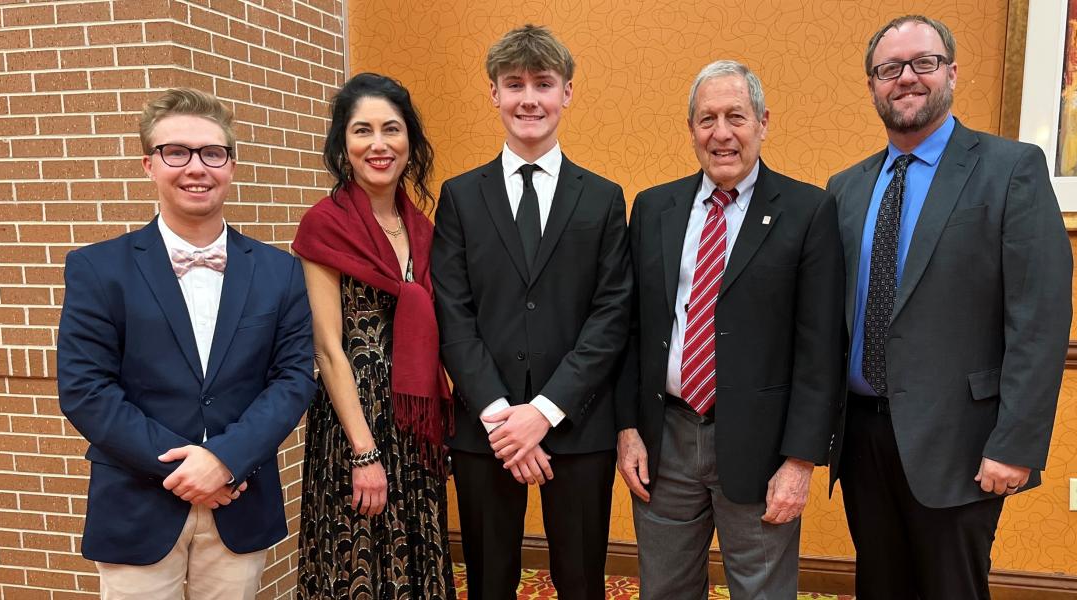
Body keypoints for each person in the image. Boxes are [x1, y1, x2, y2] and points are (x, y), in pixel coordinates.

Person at [825, 15, 1073, 600]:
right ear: (872, 85)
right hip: (861, 437)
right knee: (879, 587)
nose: (906, 78)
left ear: (951, 73)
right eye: (889, 69)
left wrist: (1015, 443)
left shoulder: (1010, 169)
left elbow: (1039, 319)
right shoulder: (845, 187)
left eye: (923, 63)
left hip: (962, 441)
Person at [56, 88, 315, 599]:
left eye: (212, 153)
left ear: (231, 166)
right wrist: (184, 469)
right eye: (177, 152)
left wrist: (224, 461)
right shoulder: (96, 268)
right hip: (136, 504)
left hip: (239, 501)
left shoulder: (279, 270)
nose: (196, 167)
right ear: (149, 164)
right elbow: (86, 389)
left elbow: (290, 381)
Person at [615, 59, 845, 598]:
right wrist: (627, 429)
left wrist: (800, 461)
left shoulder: (809, 211)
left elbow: (820, 350)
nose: (722, 134)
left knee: (761, 592)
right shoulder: (653, 208)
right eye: (706, 119)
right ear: (691, 129)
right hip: (664, 441)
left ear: (763, 122)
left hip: (762, 448)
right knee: (664, 590)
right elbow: (631, 331)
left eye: (736, 117)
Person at [431, 24, 632, 600]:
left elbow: (611, 314)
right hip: (484, 430)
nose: (528, 98)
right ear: (493, 93)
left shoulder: (602, 197)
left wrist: (543, 413)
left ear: (566, 93)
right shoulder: (460, 196)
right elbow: (454, 312)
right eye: (513, 84)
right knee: (489, 581)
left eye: (543, 84)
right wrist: (502, 417)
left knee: (580, 580)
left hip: (576, 425)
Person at [292, 72, 455, 599]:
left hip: (414, 427)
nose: (379, 144)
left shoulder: (424, 229)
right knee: (356, 568)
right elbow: (327, 348)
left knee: (417, 565)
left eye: (392, 129)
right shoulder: (325, 224)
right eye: (362, 131)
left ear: (411, 141)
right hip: (354, 426)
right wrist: (364, 452)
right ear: (344, 143)